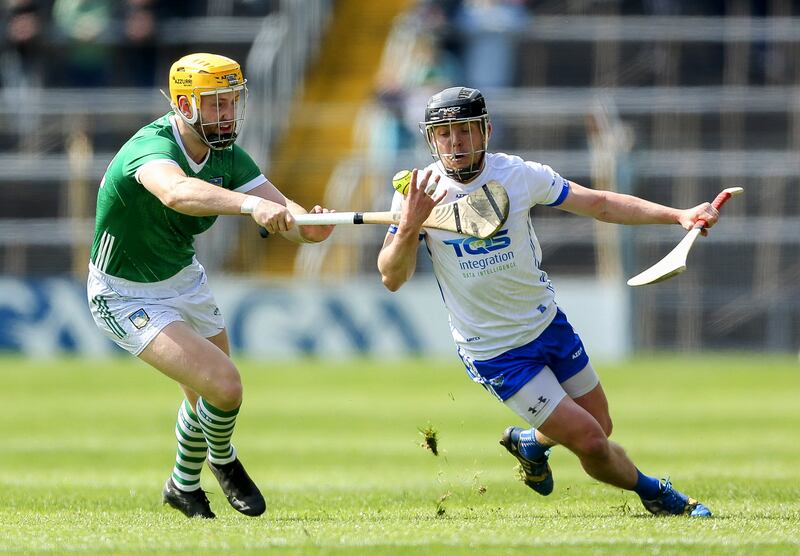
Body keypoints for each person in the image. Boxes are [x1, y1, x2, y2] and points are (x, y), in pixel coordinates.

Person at [377, 86, 715, 517]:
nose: (455, 142)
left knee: (602, 426)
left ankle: (528, 444)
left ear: (486, 131)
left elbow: (602, 204)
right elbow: (391, 276)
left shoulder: (518, 175)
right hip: (495, 351)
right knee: (592, 441)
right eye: (444, 134)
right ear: (431, 139)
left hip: (547, 325)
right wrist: (409, 227)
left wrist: (679, 215)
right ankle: (659, 494)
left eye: (465, 130)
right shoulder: (416, 193)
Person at [86, 53, 334, 519]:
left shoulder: (227, 156)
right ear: (183, 105)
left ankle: (182, 485)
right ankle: (224, 459)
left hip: (184, 278)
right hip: (124, 293)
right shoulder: (152, 149)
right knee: (224, 386)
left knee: (204, 394)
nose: (226, 114)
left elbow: (288, 217)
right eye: (215, 104)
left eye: (231, 102)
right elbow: (177, 193)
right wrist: (248, 207)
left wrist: (310, 227)